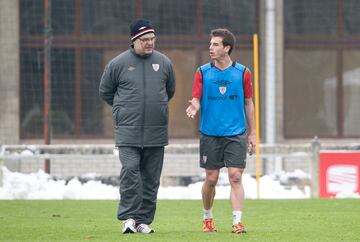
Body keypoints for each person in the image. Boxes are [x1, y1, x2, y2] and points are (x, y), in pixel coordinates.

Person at [99, 19, 176, 234]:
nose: (150, 43)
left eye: (152, 39)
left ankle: (143, 221)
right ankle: (129, 218)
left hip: (156, 131)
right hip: (128, 131)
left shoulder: (164, 63)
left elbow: (170, 91)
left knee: (151, 179)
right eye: (145, 40)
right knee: (131, 172)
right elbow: (105, 92)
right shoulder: (117, 64)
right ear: (134, 41)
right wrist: (124, 109)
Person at [186, 28, 255, 234]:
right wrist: (194, 106)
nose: (211, 47)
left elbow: (249, 103)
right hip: (210, 133)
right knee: (212, 179)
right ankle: (207, 218)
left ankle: (237, 222)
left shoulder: (243, 72)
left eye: (215, 44)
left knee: (235, 176)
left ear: (227, 48)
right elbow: (196, 98)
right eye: (210, 44)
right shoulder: (202, 72)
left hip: (236, 133)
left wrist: (252, 133)